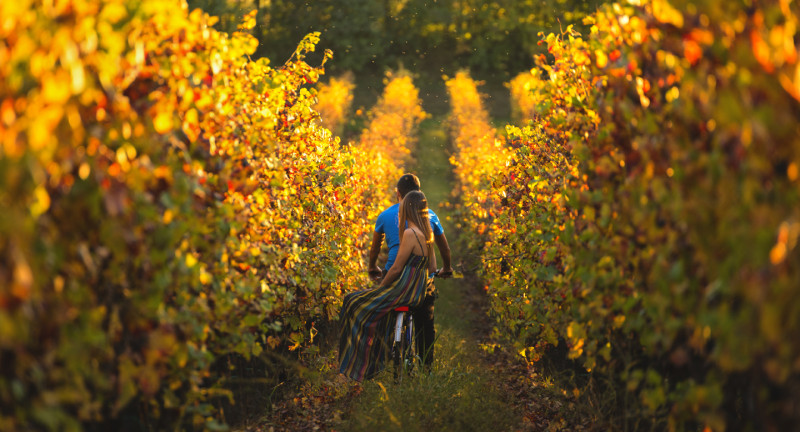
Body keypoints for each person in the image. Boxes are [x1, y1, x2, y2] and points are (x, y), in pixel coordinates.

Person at [338, 191, 438, 380]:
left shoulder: (410, 233)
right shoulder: (428, 234)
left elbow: (396, 269)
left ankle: (354, 364)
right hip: (417, 292)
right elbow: (432, 267)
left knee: (352, 301)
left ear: (407, 209)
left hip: (403, 290)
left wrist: (382, 288)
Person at [368, 173, 452, 370]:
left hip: (396, 276)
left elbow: (376, 249)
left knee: (382, 313)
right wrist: (447, 268)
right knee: (426, 323)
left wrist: (373, 267)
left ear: (398, 193)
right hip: (421, 279)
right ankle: (426, 366)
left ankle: (381, 355)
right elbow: (445, 249)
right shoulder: (430, 217)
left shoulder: (385, 215)